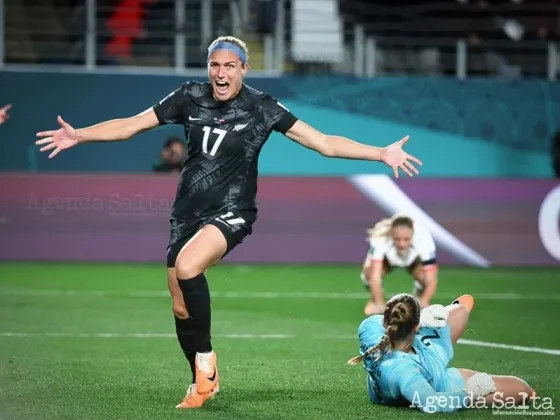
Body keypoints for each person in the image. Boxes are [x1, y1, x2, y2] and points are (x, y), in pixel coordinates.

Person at [34, 35, 422, 409]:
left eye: (230, 66)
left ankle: (205, 364)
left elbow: (323, 143)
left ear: (244, 70)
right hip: (186, 211)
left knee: (188, 267)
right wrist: (79, 135)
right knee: (180, 304)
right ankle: (203, 378)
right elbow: (133, 124)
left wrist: (380, 153)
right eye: (214, 65)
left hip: (233, 210)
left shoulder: (263, 107)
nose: (221, 73)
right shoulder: (188, 96)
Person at [347, 293, 536, 413]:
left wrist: (426, 316)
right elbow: (432, 403)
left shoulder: (369, 327)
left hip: (416, 351)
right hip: (436, 380)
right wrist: (470, 393)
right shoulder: (403, 373)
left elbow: (390, 320)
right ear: (417, 326)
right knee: (523, 389)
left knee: (462, 306)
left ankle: (442, 316)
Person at [360, 214, 438, 316]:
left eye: (406, 239)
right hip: (387, 260)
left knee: (424, 278)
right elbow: (375, 277)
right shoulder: (380, 238)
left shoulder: (424, 238)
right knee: (368, 275)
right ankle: (374, 299)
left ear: (413, 234)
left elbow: (432, 279)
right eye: (397, 239)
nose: (402, 244)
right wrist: (380, 305)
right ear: (391, 234)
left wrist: (424, 302)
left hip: (413, 260)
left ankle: (419, 294)